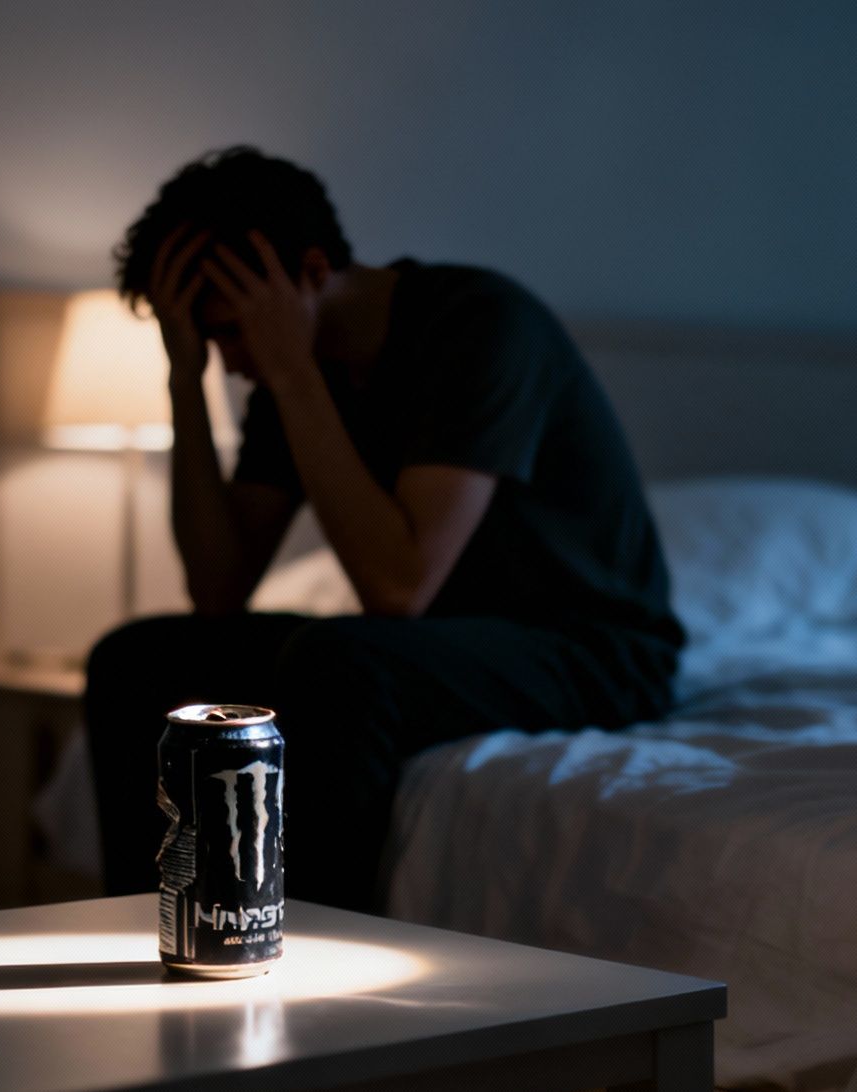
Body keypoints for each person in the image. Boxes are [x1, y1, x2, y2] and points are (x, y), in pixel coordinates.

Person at [85, 147, 684, 912]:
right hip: (443, 640)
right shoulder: (290, 374)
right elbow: (217, 589)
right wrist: (182, 379)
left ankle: (317, 952)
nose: (231, 364)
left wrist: (293, 375)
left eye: (230, 333)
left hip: (592, 650)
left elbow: (398, 588)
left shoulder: (477, 326)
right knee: (138, 656)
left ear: (310, 272)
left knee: (340, 662)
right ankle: (155, 930)